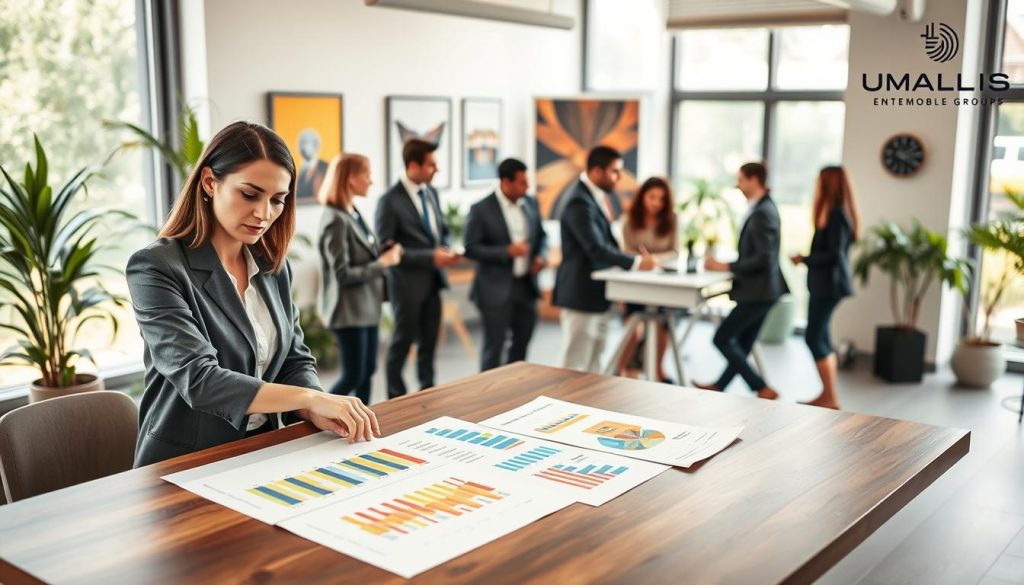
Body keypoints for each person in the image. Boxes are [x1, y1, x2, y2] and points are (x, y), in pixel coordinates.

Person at [126, 122, 379, 467]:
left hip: (264, 450)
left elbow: (294, 358)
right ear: (210, 182)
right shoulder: (156, 267)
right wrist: (308, 398)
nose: (264, 214)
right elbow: (200, 379)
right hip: (187, 462)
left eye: (277, 200)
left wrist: (309, 406)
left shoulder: (272, 266)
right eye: (249, 194)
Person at [553, 146, 656, 373]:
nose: (619, 178)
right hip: (581, 293)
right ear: (597, 171)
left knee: (595, 362)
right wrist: (636, 263)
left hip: (598, 293)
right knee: (575, 364)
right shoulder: (578, 201)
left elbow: (607, 243)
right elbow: (595, 248)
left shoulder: (597, 197)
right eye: (615, 172)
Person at [376, 138, 461, 398]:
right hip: (406, 284)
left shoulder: (431, 192)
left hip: (433, 280)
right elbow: (386, 249)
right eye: (432, 164)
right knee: (401, 343)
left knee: (429, 342)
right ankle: (395, 397)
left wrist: (445, 248)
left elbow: (442, 230)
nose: (437, 169)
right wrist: (429, 256)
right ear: (414, 165)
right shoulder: (389, 201)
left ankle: (428, 392)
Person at [697, 162, 788, 400]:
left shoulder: (763, 212)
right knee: (744, 343)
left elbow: (764, 258)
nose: (737, 185)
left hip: (760, 291)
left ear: (754, 179)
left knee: (722, 338)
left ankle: (761, 387)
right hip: (763, 291)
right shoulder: (762, 208)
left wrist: (725, 265)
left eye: (740, 179)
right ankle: (721, 386)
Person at [318, 153, 403, 404]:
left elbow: (362, 253)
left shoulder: (352, 211)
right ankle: (318, 414)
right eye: (366, 175)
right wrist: (383, 263)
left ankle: (361, 421)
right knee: (354, 375)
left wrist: (380, 250)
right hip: (348, 311)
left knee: (367, 372)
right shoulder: (335, 220)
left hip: (367, 307)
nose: (371, 181)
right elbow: (343, 274)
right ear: (350, 178)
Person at [463, 158, 547, 371]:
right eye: (522, 182)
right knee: (495, 348)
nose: (527, 186)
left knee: (522, 345)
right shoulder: (480, 209)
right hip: (495, 289)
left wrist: (541, 256)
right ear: (505, 183)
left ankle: (515, 392)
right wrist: (506, 252)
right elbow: (471, 248)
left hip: (526, 286)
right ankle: (488, 398)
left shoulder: (531, 202)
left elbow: (542, 236)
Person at [790, 166, 859, 410]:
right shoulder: (830, 213)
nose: (816, 185)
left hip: (830, 287)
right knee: (822, 337)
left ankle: (830, 396)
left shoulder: (837, 215)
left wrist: (805, 259)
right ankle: (829, 395)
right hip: (823, 285)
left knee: (813, 336)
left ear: (828, 184)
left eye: (820, 181)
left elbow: (834, 255)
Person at [617, 177, 679, 381]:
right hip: (636, 283)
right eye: (652, 197)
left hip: (663, 284)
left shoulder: (672, 219)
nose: (656, 203)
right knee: (634, 329)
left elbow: (675, 251)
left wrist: (655, 259)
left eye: (661, 199)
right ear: (642, 195)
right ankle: (619, 370)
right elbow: (624, 252)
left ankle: (658, 372)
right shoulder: (629, 219)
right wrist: (640, 261)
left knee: (662, 327)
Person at [296, 129, 328, 199]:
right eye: (300, 143)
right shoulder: (299, 171)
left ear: (316, 145)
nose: (302, 147)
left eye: (305, 142)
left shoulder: (325, 168)